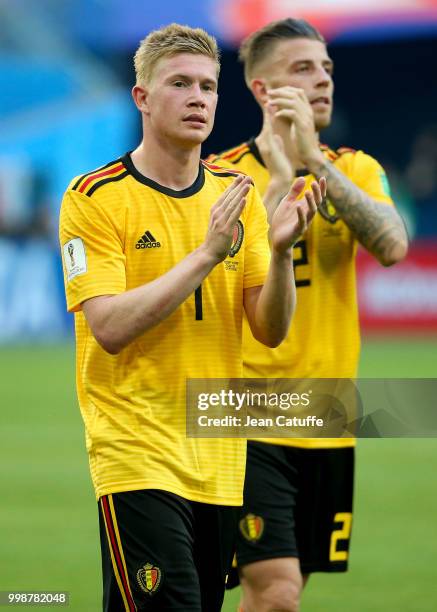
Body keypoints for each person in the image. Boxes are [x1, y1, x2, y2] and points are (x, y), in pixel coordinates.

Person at [59, 23, 325, 612]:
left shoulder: (238, 194)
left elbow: (271, 328)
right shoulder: (94, 197)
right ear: (143, 97)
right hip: (135, 453)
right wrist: (207, 255)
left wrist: (280, 255)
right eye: (180, 83)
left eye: (208, 86)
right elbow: (108, 326)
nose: (199, 98)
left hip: (220, 457)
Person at [208, 18, 408, 612]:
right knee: (278, 593)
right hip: (243, 412)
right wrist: (278, 178)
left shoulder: (355, 169)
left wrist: (313, 164)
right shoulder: (219, 176)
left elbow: (393, 247)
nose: (322, 80)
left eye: (326, 69)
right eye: (303, 69)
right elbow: (220, 281)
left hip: (327, 413)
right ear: (263, 91)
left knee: (275, 594)